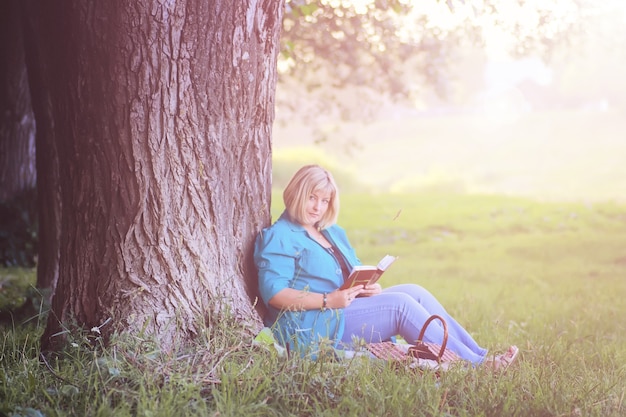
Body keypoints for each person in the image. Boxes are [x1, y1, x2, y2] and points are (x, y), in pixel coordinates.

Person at [254, 164, 518, 369]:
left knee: (414, 291)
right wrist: (328, 300)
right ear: (297, 193)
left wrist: (368, 288)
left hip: (342, 308)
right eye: (312, 197)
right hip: (312, 324)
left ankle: (480, 354)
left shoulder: (331, 232)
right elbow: (275, 294)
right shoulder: (281, 235)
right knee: (399, 306)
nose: (318, 207)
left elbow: (355, 271)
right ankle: (478, 367)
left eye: (325, 201)